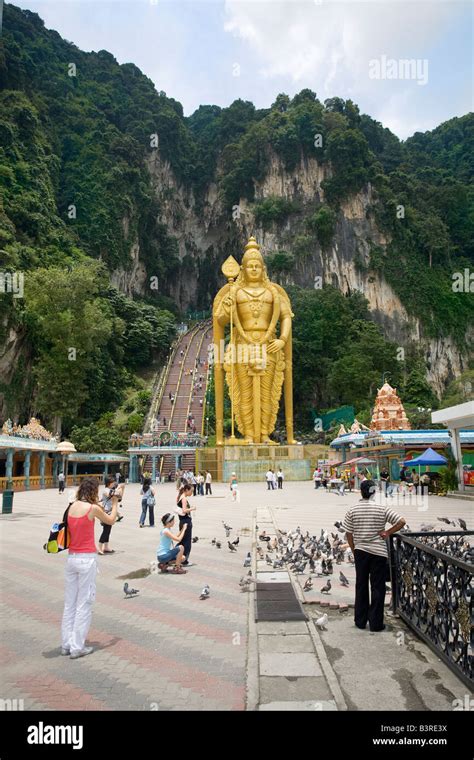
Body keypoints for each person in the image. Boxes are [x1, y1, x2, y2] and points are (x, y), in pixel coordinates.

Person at [61, 477, 118, 659]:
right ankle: (77, 646)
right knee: (84, 603)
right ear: (94, 491)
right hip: (86, 559)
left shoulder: (72, 506)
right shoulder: (92, 509)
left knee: (70, 603)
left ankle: (66, 643)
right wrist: (115, 502)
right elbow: (110, 520)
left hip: (71, 558)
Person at [343, 479, 405, 632]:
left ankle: (360, 621)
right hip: (379, 553)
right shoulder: (381, 508)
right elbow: (401, 521)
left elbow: (348, 533)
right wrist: (387, 532)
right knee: (378, 587)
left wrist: (354, 548)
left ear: (361, 491)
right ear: (374, 492)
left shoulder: (353, 509)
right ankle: (376, 624)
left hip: (360, 552)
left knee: (361, 585)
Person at [98, 476, 124, 555]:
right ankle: (100, 548)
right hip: (106, 512)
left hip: (111, 512)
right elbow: (112, 494)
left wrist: (121, 489)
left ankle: (106, 546)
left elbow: (119, 498)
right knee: (106, 530)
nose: (114, 483)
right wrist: (119, 488)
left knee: (108, 530)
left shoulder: (111, 489)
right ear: (109, 483)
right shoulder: (106, 490)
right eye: (113, 482)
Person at [176, 484, 195, 566]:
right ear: (186, 490)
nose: (192, 493)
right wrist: (192, 508)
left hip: (182, 521)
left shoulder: (180, 496)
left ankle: (175, 556)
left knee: (182, 541)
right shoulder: (183, 499)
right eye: (191, 491)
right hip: (186, 521)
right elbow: (184, 510)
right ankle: (184, 560)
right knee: (187, 542)